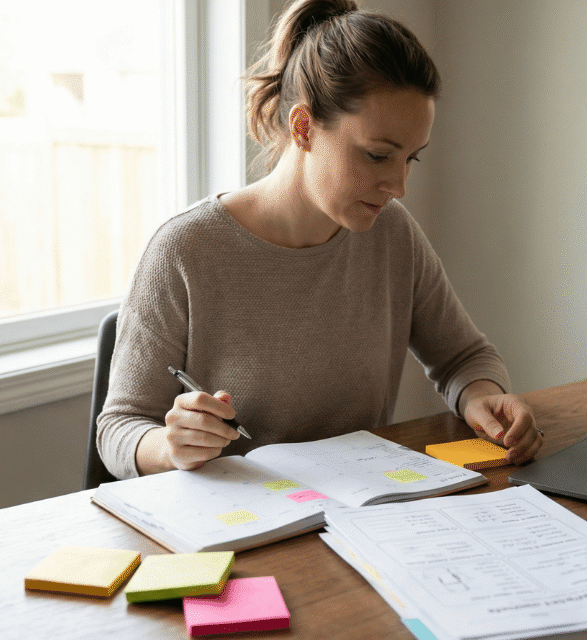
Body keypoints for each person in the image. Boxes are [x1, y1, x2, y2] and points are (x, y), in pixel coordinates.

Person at [97, 0, 541, 480]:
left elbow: (464, 357)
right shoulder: (184, 251)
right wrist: (170, 445)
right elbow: (118, 429)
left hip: (357, 518)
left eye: (410, 159)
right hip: (238, 527)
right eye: (377, 156)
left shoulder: (393, 236)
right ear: (304, 128)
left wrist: (481, 394)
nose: (398, 186)